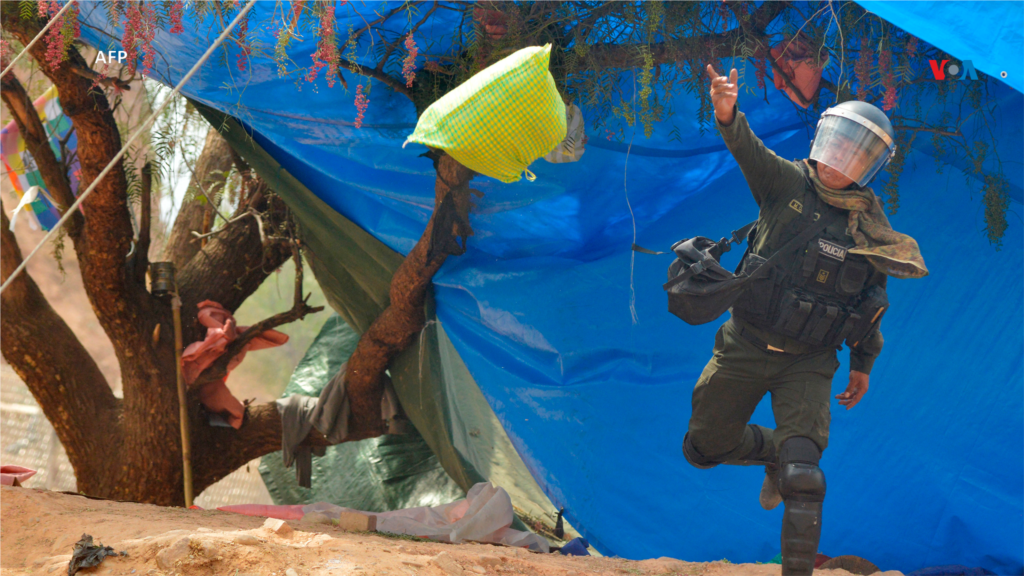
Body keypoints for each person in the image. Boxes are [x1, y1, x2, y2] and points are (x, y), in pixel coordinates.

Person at [681, 65, 929, 576]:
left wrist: (863, 364)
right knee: (703, 447)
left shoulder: (871, 231)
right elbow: (747, 149)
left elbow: (871, 302)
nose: (842, 162)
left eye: (858, 155)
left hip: (811, 362)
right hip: (745, 344)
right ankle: (773, 454)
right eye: (840, 145)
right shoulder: (785, 182)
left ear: (870, 167)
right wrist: (726, 111)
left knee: (805, 475)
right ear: (823, 140)